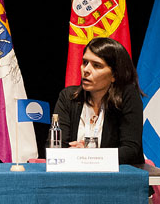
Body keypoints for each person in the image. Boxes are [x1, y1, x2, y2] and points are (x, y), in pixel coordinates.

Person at [53, 36, 143, 165]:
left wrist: (89, 156)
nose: (86, 70)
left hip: (117, 180)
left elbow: (130, 150)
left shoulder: (127, 97)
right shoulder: (68, 97)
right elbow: (55, 147)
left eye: (96, 65)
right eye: (85, 62)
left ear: (114, 75)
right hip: (74, 178)